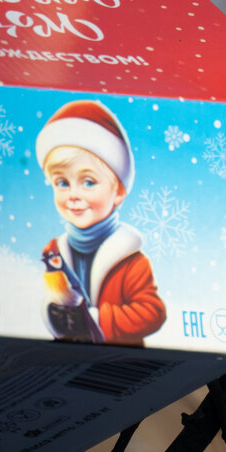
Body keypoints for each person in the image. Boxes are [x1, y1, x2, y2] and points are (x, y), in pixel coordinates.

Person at [36, 100, 165, 345]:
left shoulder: (130, 258)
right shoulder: (54, 251)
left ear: (118, 191)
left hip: (122, 362)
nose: (73, 194)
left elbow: (152, 313)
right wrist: (54, 313)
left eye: (88, 182)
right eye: (62, 183)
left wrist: (95, 319)